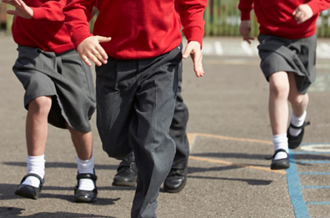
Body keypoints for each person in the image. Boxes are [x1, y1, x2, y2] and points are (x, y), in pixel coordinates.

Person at [64, 0, 207, 217]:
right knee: (113, 143)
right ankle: (134, 152)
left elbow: (192, 4)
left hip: (162, 59)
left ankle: (145, 209)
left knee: (153, 141)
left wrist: (195, 36)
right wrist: (81, 35)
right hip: (112, 60)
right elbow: (76, 4)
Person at [2, 0, 98, 202]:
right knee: (39, 100)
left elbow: (68, 8)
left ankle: (86, 172)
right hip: (32, 49)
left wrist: (34, 12)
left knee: (77, 114)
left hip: (72, 47)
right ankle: (34, 172)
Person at [238, 0, 330, 170]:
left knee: (297, 97)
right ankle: (280, 147)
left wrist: (312, 7)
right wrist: (245, 16)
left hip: (304, 36)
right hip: (272, 36)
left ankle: (298, 120)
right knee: (279, 86)